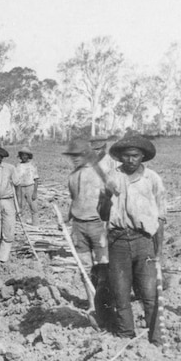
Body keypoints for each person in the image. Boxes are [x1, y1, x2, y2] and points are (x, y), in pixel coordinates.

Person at [104, 134, 166, 345]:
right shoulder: (111, 177)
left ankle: (156, 339)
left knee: (149, 293)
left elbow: (160, 216)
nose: (131, 160)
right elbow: (103, 213)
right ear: (120, 157)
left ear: (143, 156)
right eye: (127, 156)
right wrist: (105, 196)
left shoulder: (152, 179)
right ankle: (125, 336)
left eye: (135, 156)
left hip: (143, 240)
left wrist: (158, 249)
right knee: (121, 292)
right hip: (118, 240)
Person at [62, 138, 114, 329]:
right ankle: (91, 303)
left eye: (78, 155)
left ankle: (105, 304)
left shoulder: (101, 174)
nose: (75, 159)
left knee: (103, 267)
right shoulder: (72, 177)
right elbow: (74, 200)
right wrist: (66, 220)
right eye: (72, 156)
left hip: (97, 225)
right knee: (84, 267)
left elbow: (110, 201)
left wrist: (109, 224)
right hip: (78, 226)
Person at [14, 146, 40, 225]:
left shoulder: (32, 165)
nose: (24, 157)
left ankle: (36, 226)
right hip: (20, 188)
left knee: (34, 208)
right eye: (22, 155)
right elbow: (15, 179)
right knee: (21, 208)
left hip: (30, 187)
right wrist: (16, 192)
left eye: (26, 155)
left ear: (29, 156)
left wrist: (35, 192)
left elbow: (36, 179)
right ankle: (23, 226)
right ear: (20, 156)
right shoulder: (17, 166)